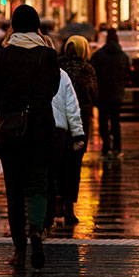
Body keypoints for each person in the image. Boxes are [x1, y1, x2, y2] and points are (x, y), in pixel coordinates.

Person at [0, 5, 60, 269]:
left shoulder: (4, 55)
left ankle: (19, 250)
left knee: (14, 192)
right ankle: (36, 233)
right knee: (39, 187)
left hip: (12, 131)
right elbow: (53, 90)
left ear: (14, 25)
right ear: (37, 25)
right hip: (41, 131)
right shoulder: (49, 55)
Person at [57, 35, 97, 225]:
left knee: (57, 162)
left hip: (59, 119)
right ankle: (69, 207)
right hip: (80, 121)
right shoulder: (87, 69)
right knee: (74, 165)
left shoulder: (57, 66)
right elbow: (94, 94)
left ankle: (56, 200)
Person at [46, 67, 87, 228]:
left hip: (36, 129)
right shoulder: (61, 74)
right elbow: (72, 106)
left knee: (43, 174)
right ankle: (53, 210)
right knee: (57, 170)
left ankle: (44, 216)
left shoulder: (30, 69)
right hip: (58, 129)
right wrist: (77, 133)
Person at [90, 28, 129, 157]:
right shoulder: (123, 56)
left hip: (102, 95)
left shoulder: (98, 55)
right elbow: (127, 74)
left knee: (103, 123)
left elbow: (92, 72)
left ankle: (106, 148)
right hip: (117, 95)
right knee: (116, 122)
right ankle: (117, 148)